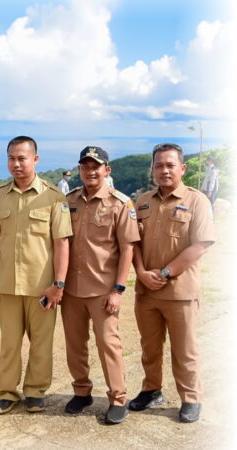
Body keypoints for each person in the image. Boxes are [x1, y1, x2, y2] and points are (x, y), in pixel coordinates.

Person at [0, 136, 72, 415]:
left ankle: (35, 392)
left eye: (22, 158)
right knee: (9, 343)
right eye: (11, 158)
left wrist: (58, 284)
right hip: (8, 284)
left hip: (41, 287)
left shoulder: (53, 196)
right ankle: (7, 393)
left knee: (41, 343)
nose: (16, 164)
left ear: (35, 160)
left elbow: (62, 243)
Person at [129, 143, 215, 423]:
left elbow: (200, 245)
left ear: (182, 168)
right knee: (149, 347)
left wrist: (164, 273)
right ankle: (151, 389)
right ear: (152, 169)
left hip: (179, 292)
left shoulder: (197, 200)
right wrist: (141, 272)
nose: (164, 170)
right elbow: (133, 244)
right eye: (159, 165)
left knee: (185, 349)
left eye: (170, 165)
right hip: (146, 291)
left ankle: (190, 397)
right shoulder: (142, 201)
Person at [62, 146, 139, 424]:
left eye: (96, 166)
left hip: (103, 290)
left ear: (106, 170)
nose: (90, 171)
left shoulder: (120, 204)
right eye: (85, 166)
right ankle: (81, 392)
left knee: (109, 344)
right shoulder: (69, 200)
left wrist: (118, 290)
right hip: (71, 289)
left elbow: (128, 249)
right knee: (74, 345)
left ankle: (118, 398)